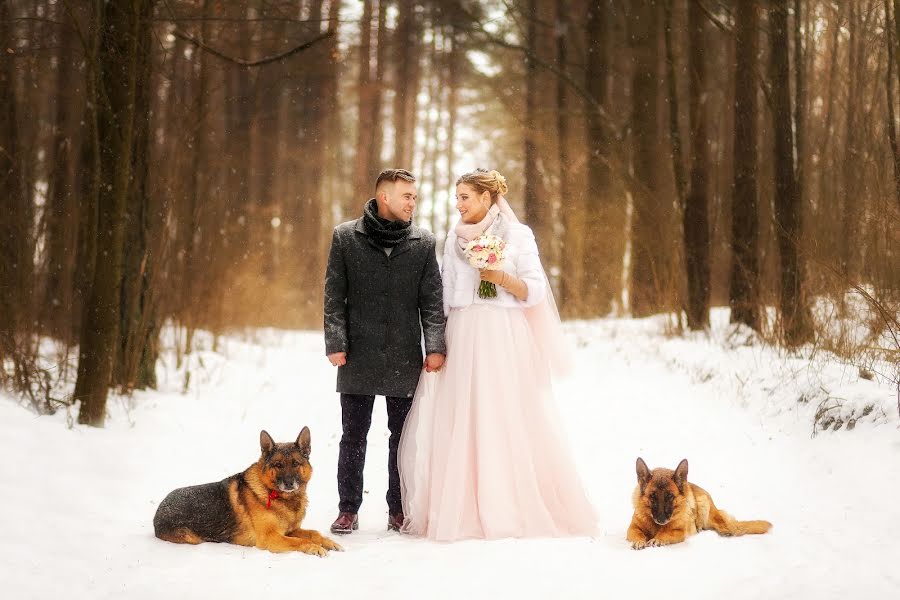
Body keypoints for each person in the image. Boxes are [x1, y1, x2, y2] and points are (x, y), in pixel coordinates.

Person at [398, 168, 597, 541]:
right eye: (456, 197)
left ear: (487, 198)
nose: (458, 205)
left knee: (502, 415)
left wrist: (501, 277)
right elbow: (442, 298)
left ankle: (507, 502)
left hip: (502, 335)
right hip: (462, 334)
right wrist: (436, 343)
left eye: (465, 197)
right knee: (462, 416)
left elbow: (535, 291)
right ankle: (461, 505)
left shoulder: (518, 236)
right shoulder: (452, 241)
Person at [323, 168, 446, 534]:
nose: (413, 202)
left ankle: (398, 508)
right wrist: (335, 342)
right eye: (407, 196)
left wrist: (435, 346)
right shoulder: (346, 237)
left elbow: (432, 301)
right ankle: (348, 509)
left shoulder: (423, 242)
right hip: (357, 353)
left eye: (415, 196)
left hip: (404, 355)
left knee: (402, 438)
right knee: (353, 435)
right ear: (384, 198)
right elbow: (334, 295)